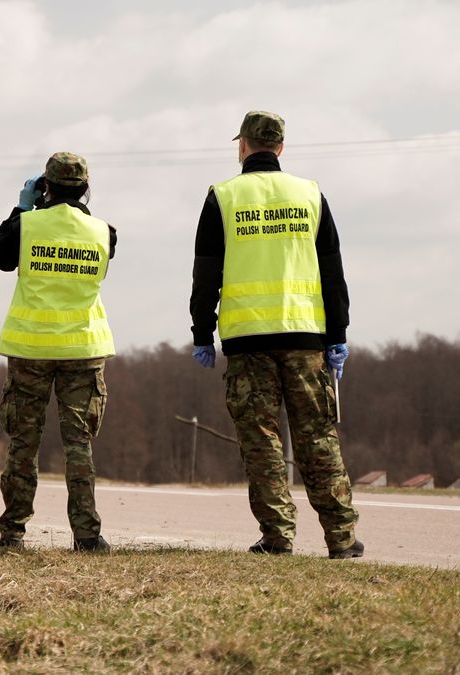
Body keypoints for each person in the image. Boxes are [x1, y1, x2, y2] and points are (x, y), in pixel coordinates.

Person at [189, 111, 363, 559]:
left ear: (243, 146)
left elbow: (205, 275)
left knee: (262, 440)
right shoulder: (310, 194)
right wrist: (338, 333)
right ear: (281, 148)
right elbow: (332, 271)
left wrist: (202, 331)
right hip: (307, 337)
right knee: (317, 437)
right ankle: (341, 539)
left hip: (248, 341)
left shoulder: (222, 197)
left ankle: (277, 536)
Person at [0, 152, 117, 552]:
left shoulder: (26, 226)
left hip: (31, 349)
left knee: (23, 442)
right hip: (82, 348)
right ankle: (87, 535)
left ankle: (12, 535)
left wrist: (21, 208)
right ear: (86, 189)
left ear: (45, 186)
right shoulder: (103, 232)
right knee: (79, 444)